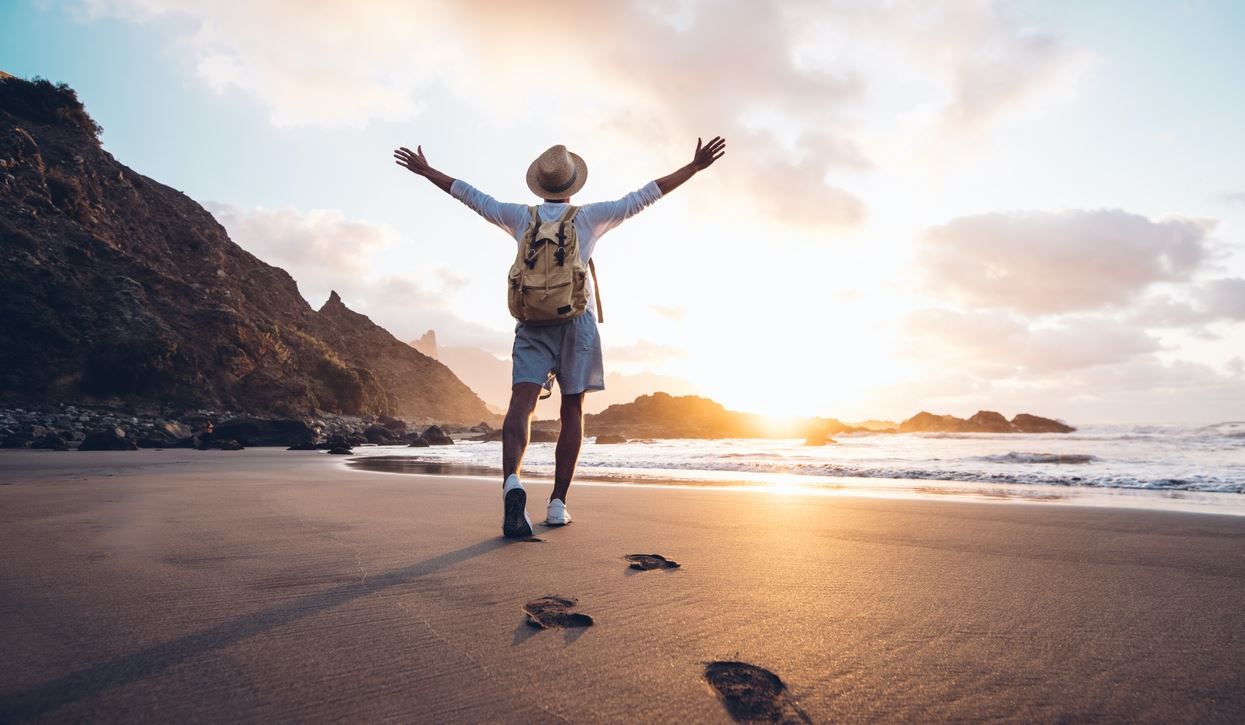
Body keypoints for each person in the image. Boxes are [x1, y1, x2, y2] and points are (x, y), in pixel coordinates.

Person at [393, 136, 726, 537]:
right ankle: (556, 504)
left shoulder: (520, 217)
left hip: (532, 323)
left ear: (541, 185)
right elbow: (644, 196)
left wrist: (427, 171)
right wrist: (692, 168)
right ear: (571, 185)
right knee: (572, 409)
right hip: (576, 323)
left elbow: (472, 196)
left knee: (521, 404)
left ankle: (512, 483)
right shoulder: (590, 217)